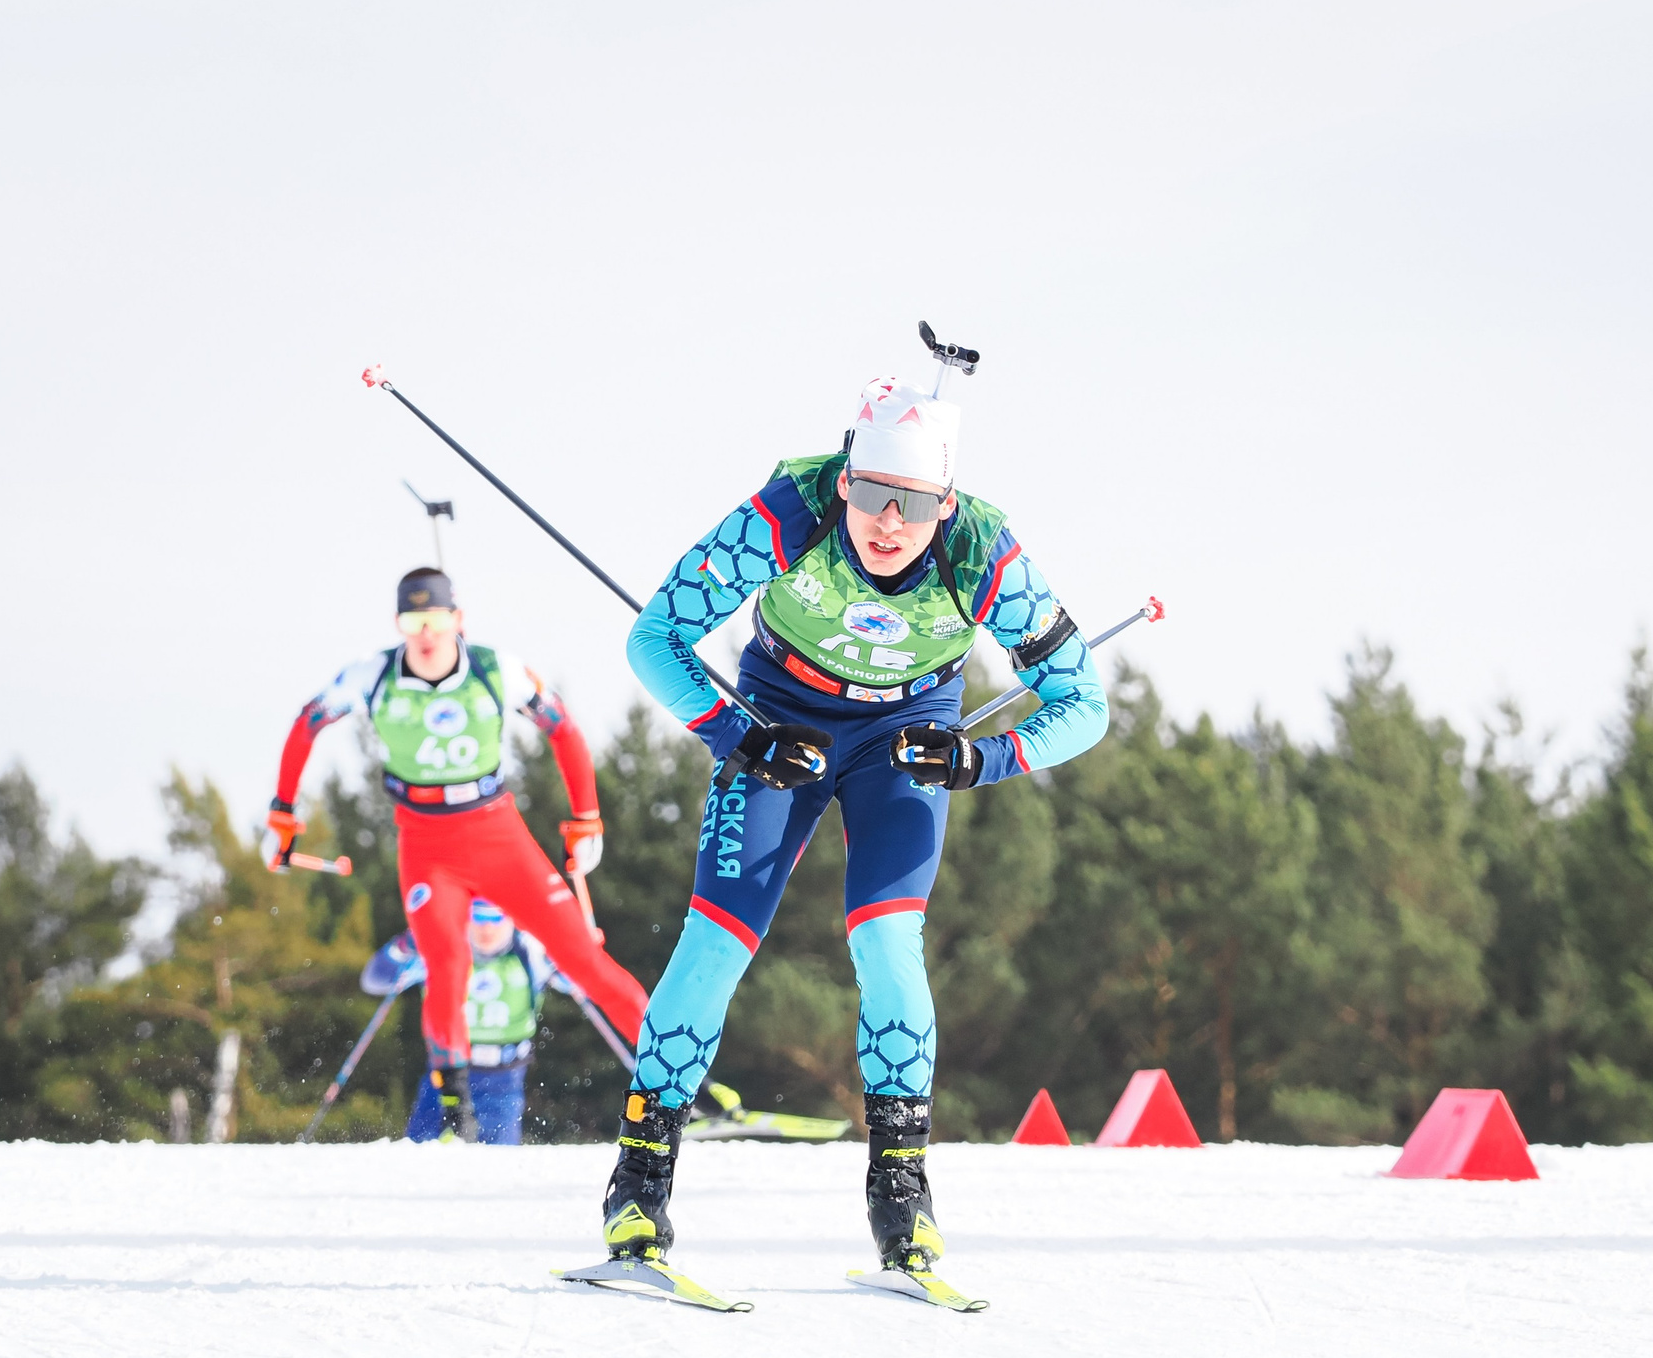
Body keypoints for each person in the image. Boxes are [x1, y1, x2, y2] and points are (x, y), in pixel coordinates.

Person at [599, 370, 1108, 1276]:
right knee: (715, 942)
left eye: (913, 505)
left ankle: (902, 1195)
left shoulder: (984, 552)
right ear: (843, 478)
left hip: (902, 739)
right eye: (871, 494)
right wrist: (737, 734)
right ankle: (640, 1183)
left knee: (888, 947)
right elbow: (653, 640)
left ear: (945, 503)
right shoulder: (785, 514)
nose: (887, 523)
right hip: (779, 716)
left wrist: (980, 757)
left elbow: (1084, 703)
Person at [269, 567, 648, 1140]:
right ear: (399, 624)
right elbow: (307, 722)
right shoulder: (372, 675)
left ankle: (677, 1072)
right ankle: (450, 1103)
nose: (426, 633)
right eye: (414, 621)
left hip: (497, 833)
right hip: (426, 843)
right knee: (446, 961)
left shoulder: (498, 669)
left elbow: (564, 730)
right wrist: (282, 812)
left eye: (437, 619)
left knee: (581, 957)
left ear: (458, 620)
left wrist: (586, 817)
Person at [361, 900, 572, 1144]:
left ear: (511, 919)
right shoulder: (443, 948)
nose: (487, 929)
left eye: (496, 919)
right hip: (446, 1076)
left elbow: (581, 985)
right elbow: (374, 980)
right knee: (421, 1161)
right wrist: (405, 945)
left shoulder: (530, 952)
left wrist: (582, 950)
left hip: (504, 1079)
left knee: (496, 1168)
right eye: (478, 918)